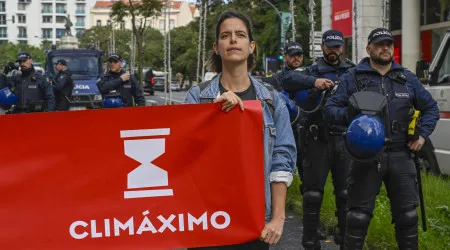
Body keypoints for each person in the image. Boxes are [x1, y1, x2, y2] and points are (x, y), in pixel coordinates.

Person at [184, 9, 296, 249]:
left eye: (240, 34)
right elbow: (184, 155)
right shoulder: (197, 97)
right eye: (225, 35)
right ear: (216, 46)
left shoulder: (272, 101)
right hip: (207, 218)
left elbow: (282, 161)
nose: (233, 40)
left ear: (251, 46)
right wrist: (209, 117)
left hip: (254, 220)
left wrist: (278, 218)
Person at [324, 28, 439, 249]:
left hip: (401, 155)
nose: (385, 48)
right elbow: (330, 110)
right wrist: (351, 115)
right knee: (357, 218)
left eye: (389, 44)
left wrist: (422, 135)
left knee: (407, 217)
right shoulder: (353, 77)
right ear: (369, 49)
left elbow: (431, 108)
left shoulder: (406, 79)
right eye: (379, 44)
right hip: (365, 156)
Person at [281, 30, 353, 249]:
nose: (334, 51)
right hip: (316, 140)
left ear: (342, 48)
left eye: (337, 47)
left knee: (346, 193)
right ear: (322, 47)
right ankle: (311, 240)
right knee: (312, 194)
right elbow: (288, 79)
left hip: (343, 139)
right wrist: (315, 82)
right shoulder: (311, 70)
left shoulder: (351, 71)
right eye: (330, 47)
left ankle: (345, 237)